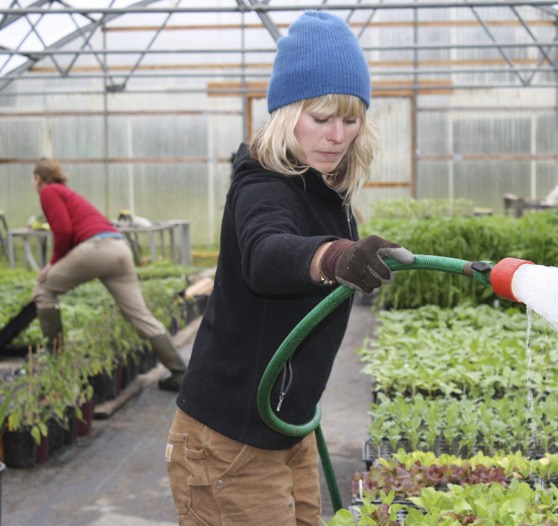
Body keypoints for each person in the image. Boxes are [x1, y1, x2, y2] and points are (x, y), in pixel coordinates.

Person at [165, 11, 414, 526]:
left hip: (286, 427)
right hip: (231, 440)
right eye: (321, 118)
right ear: (285, 112)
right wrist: (334, 257)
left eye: (351, 118)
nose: (337, 135)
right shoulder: (264, 183)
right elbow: (266, 251)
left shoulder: (326, 184)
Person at [31, 158, 187, 392]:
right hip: (118, 248)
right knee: (141, 316)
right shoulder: (66, 192)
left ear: (38, 178)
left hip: (97, 248)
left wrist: (52, 264)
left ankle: (57, 365)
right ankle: (180, 373)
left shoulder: (49, 191)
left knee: (44, 290)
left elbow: (63, 229)